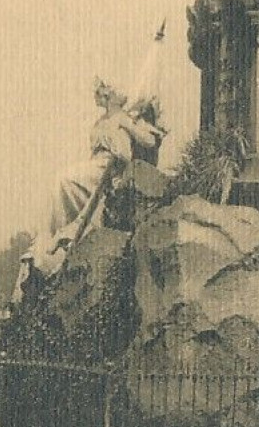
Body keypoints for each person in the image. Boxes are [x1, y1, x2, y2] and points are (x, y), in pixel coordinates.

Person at [13, 79, 164, 303]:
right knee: (61, 181)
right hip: (96, 166)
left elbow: (149, 142)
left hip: (110, 170)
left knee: (64, 180)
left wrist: (129, 128)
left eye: (102, 93)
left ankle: (56, 235)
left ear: (108, 97)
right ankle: (53, 234)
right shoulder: (99, 123)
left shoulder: (123, 118)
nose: (98, 97)